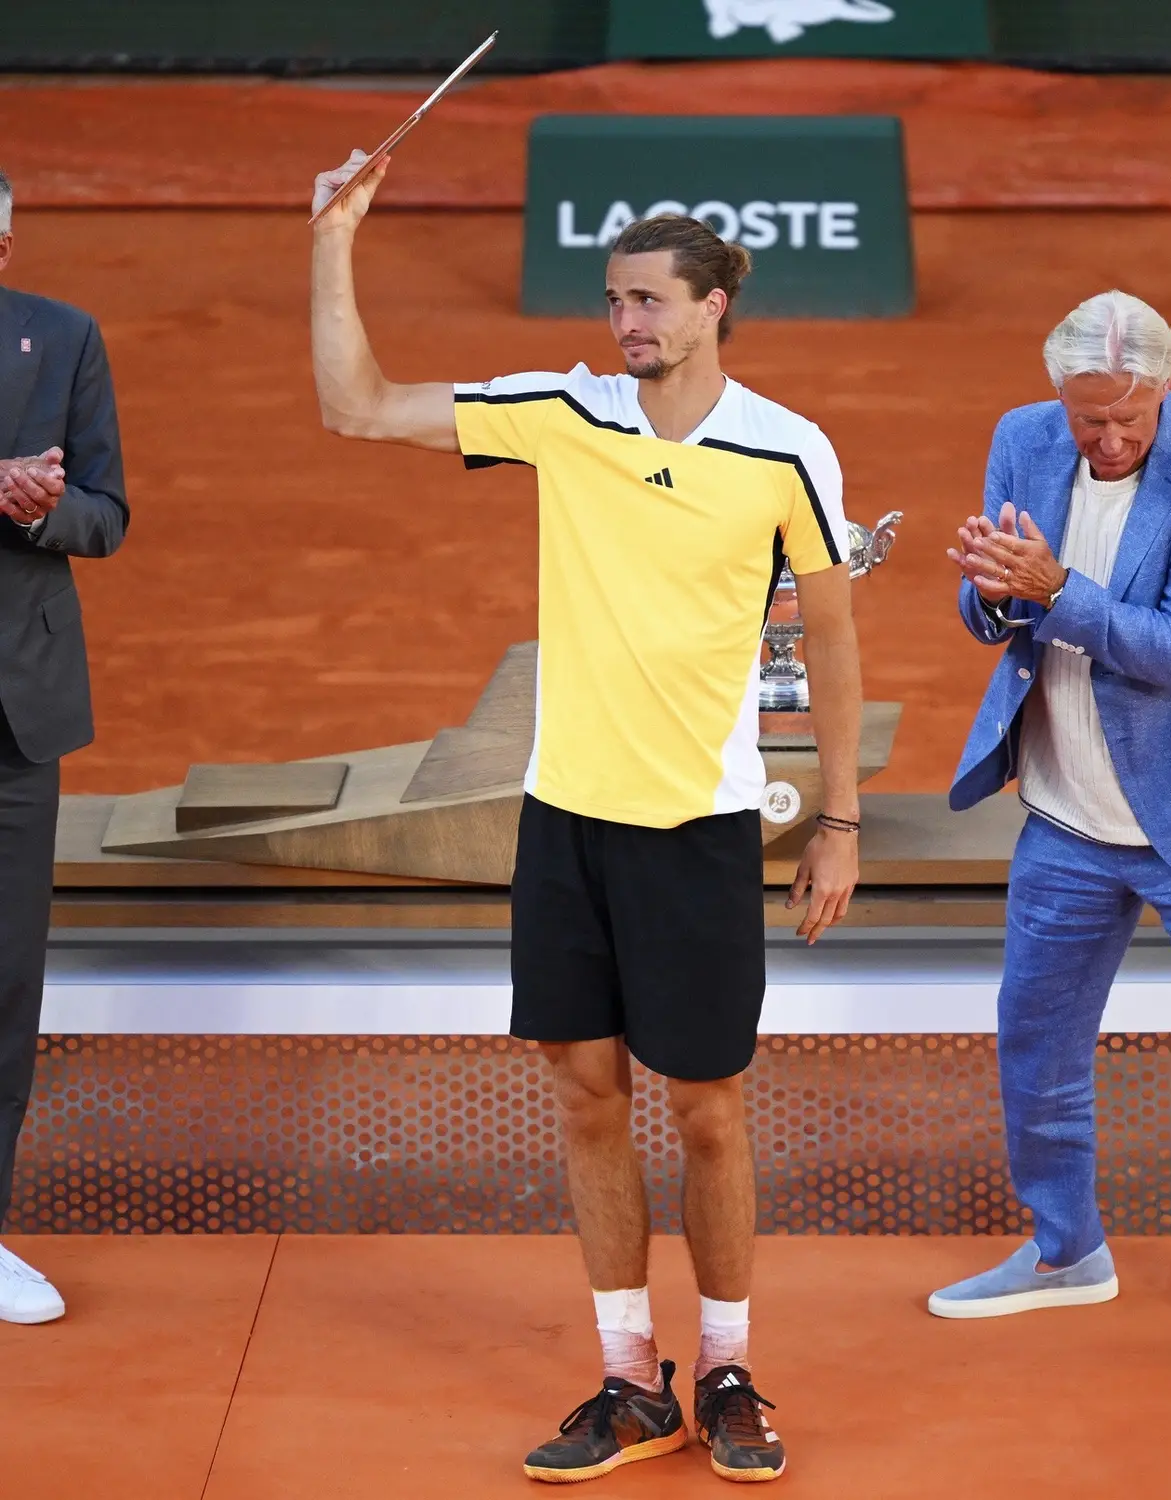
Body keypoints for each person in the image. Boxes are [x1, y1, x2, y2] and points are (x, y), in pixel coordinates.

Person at [310, 151, 862, 1482]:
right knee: (587, 1094)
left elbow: (835, 643)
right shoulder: (566, 411)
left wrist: (840, 823)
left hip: (703, 828)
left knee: (713, 1108)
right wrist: (333, 237)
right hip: (567, 821)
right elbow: (358, 407)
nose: (628, 326)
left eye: (652, 303)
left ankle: (729, 1368)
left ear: (717, 303)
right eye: (615, 301)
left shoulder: (786, 451)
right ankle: (630, 1383)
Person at [936, 290, 1171, 1318]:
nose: (1110, 437)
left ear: (1165, 389)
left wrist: (1054, 593)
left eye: (1130, 417)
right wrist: (997, 593)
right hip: (1066, 816)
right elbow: (986, 610)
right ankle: (1066, 1253)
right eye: (1090, 418)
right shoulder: (1024, 439)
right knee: (1037, 1050)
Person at [0, 168, 129, 1322]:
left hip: (17, 713)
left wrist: (44, 509)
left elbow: (110, 516)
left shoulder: (62, 337)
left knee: (2, 982)